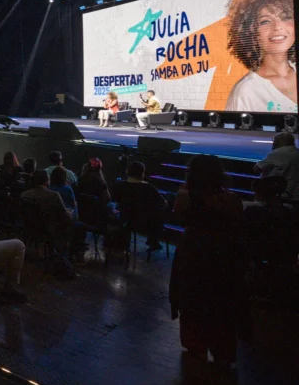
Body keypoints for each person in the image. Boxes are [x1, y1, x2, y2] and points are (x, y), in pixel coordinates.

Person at [169, 155, 246, 368]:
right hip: (222, 252)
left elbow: (178, 216)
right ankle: (222, 351)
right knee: (221, 300)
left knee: (191, 297)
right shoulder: (231, 199)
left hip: (193, 249)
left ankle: (196, 346)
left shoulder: (185, 196)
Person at [225, 0, 297, 112]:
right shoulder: (246, 91)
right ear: (250, 31)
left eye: (285, 17)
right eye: (265, 21)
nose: (278, 27)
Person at [114, 161, 168, 252]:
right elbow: (163, 203)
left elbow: (116, 200)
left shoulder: (120, 185)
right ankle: (153, 241)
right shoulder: (148, 188)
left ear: (128, 171)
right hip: (144, 223)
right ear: (142, 173)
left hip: (124, 220)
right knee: (158, 217)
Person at [255, 132, 299, 199]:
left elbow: (257, 168)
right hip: (295, 194)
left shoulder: (278, 153)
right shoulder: (296, 152)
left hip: (279, 194)